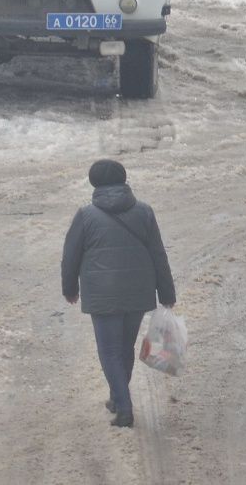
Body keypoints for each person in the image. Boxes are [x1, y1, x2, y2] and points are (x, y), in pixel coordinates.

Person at [61, 159, 176, 428]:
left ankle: (124, 408)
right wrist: (167, 292)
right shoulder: (144, 212)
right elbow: (158, 255)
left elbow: (70, 257)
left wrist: (70, 288)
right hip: (138, 292)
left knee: (109, 351)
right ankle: (117, 397)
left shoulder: (85, 216)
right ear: (124, 179)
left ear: (94, 182)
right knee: (124, 349)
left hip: (102, 294)